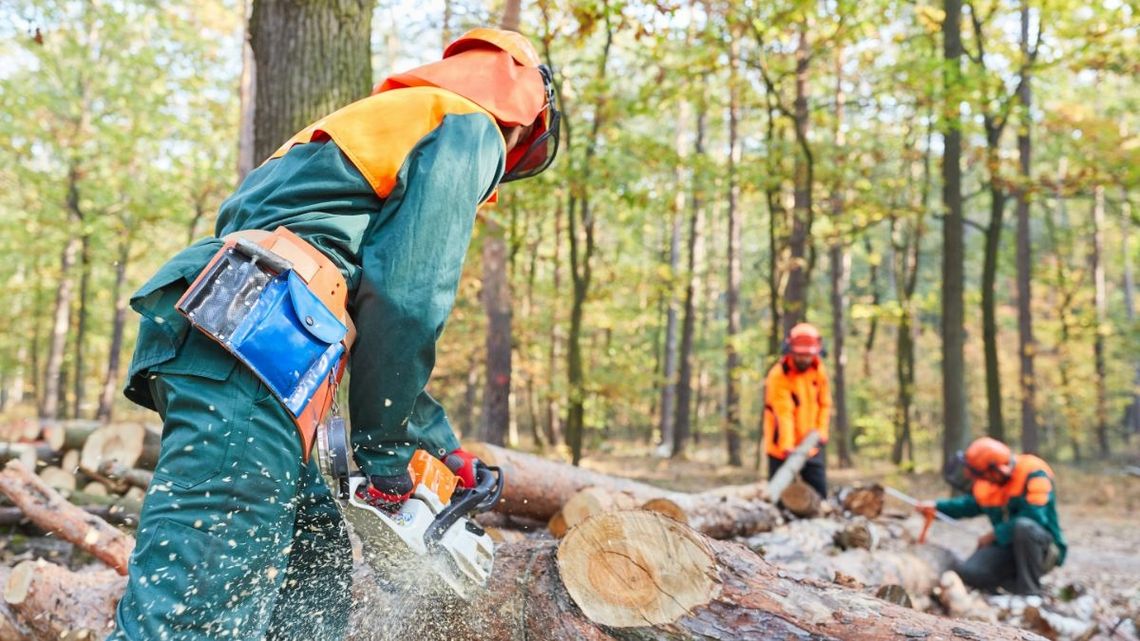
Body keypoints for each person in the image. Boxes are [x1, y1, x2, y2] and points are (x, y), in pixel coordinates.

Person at [107, 28, 560, 641]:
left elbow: (369, 301)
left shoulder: (379, 125)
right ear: (523, 113)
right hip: (255, 350)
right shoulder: (468, 124)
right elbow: (405, 299)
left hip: (236, 341)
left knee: (314, 571)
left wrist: (434, 442)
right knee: (195, 617)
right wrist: (388, 454)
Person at [917, 437, 1067, 595]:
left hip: (1044, 549)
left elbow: (1035, 517)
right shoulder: (989, 483)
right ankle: (1011, 585)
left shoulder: (1035, 473)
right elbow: (968, 505)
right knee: (970, 572)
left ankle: (1030, 593)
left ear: (997, 471)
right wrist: (937, 507)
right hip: (1006, 547)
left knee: (1023, 527)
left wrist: (994, 534)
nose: (979, 480)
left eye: (981, 475)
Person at [762, 322, 832, 499]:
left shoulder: (819, 371)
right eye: (800, 355)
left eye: (807, 356)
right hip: (781, 448)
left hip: (810, 445)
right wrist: (787, 445)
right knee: (779, 499)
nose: (804, 360)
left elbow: (825, 404)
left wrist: (821, 431)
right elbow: (783, 412)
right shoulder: (779, 375)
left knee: (819, 495)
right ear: (790, 350)